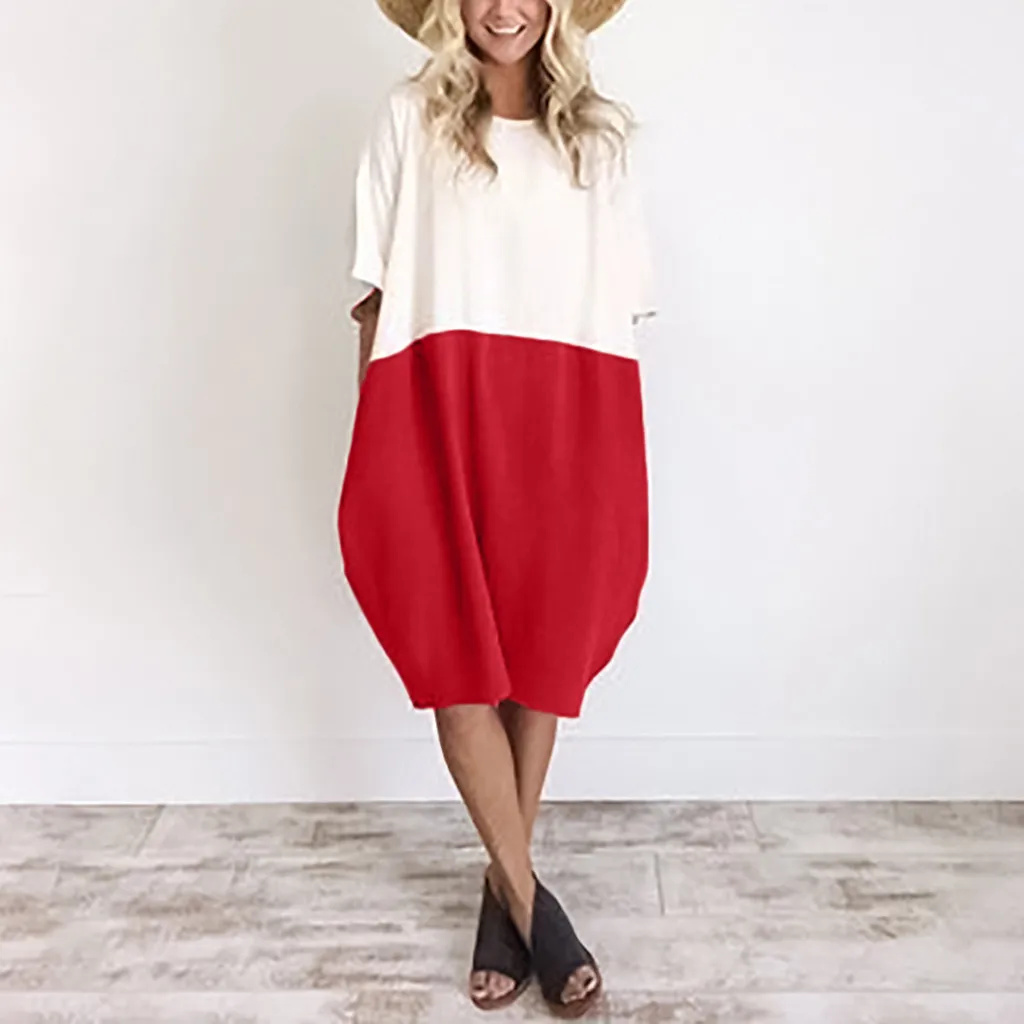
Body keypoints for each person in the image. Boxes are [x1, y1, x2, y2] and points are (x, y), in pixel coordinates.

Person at [339, 0, 654, 1015]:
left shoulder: (600, 139)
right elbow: (375, 291)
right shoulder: (408, 117)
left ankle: (502, 893)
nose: (504, 8)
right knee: (454, 655)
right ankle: (530, 903)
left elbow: (620, 307)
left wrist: (612, 450)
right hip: (432, 404)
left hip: (566, 411)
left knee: (541, 652)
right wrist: (373, 431)